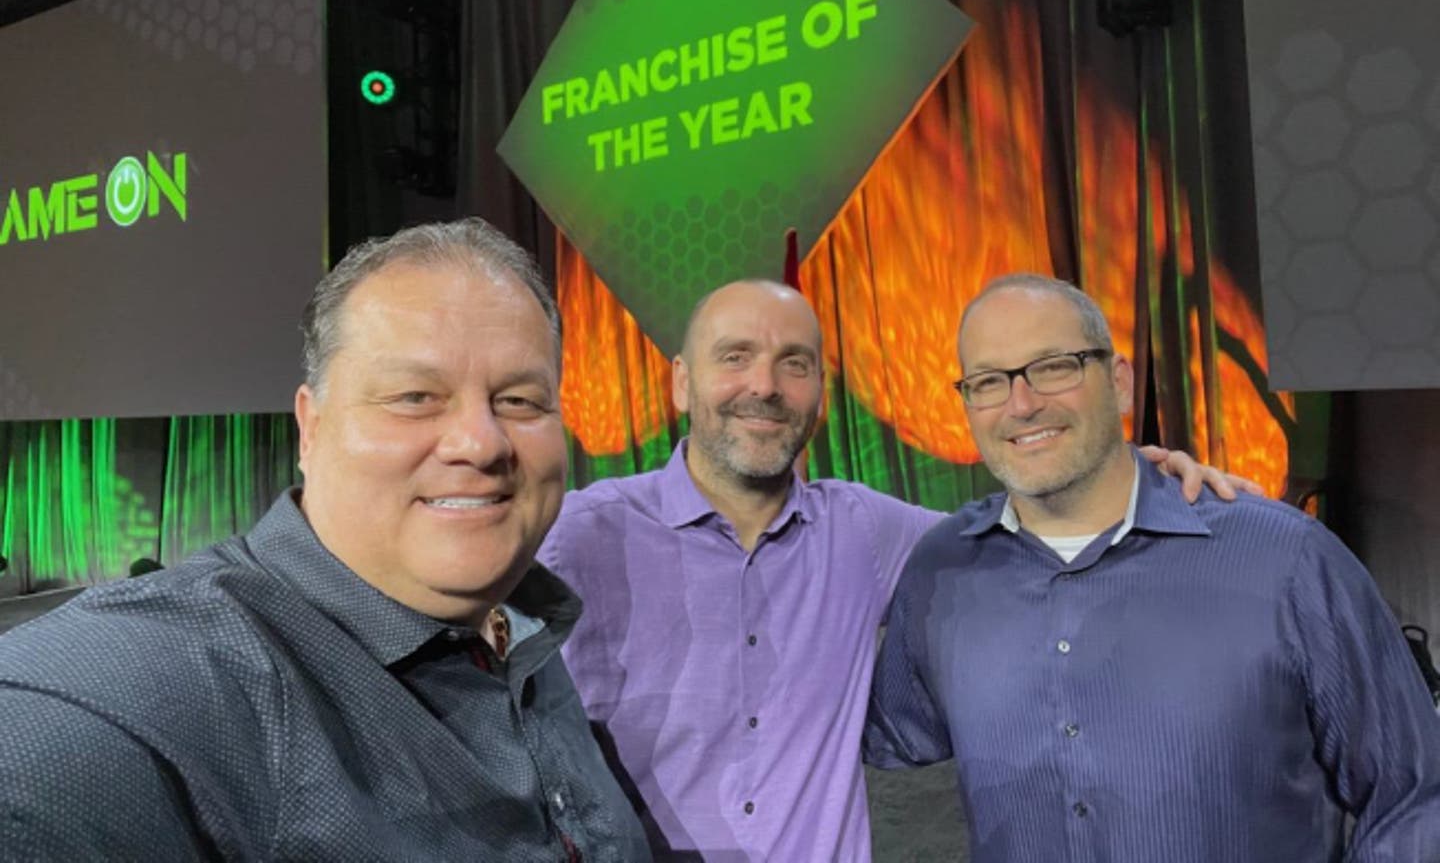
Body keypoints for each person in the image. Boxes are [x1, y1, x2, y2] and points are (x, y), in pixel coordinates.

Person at [0, 219, 650, 862]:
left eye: (519, 400)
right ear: (311, 429)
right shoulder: (163, 692)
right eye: (416, 396)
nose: (482, 442)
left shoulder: (517, 617)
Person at [540, 278, 1251, 861]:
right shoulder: (578, 535)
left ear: (819, 389)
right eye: (735, 357)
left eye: (795, 361)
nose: (765, 384)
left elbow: (1018, 536)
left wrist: (1132, 474)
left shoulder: (861, 530)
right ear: (681, 384)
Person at [864, 273, 1440, 861]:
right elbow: (860, 734)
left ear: (1118, 383)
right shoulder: (942, 570)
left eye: (1055, 366)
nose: (1022, 403)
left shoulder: (1284, 560)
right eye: (988, 381)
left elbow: (1416, 792)